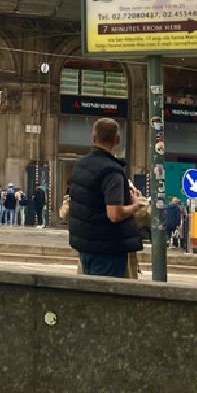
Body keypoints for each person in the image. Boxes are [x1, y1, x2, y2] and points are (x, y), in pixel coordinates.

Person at [66, 117, 146, 278]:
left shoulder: (80, 166)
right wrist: (135, 205)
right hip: (108, 250)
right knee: (108, 300)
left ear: (93, 138)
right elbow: (114, 214)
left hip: (84, 247)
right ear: (117, 140)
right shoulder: (112, 171)